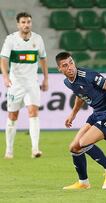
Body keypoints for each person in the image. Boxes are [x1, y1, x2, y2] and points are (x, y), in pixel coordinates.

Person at [55, 52, 106, 189]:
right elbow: (80, 95)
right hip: (97, 114)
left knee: (83, 143)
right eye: (65, 65)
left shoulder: (88, 75)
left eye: (71, 62)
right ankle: (83, 182)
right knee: (74, 148)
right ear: (60, 69)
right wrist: (73, 114)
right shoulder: (68, 82)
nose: (70, 67)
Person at [0, 12, 48, 159]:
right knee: (13, 115)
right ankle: (9, 150)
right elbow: (3, 59)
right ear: (18, 24)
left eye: (28, 22)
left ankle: (35, 149)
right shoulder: (11, 40)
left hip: (32, 83)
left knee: (33, 113)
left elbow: (43, 59)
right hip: (16, 84)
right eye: (23, 22)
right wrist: (6, 77)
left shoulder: (37, 39)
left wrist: (46, 78)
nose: (26, 25)